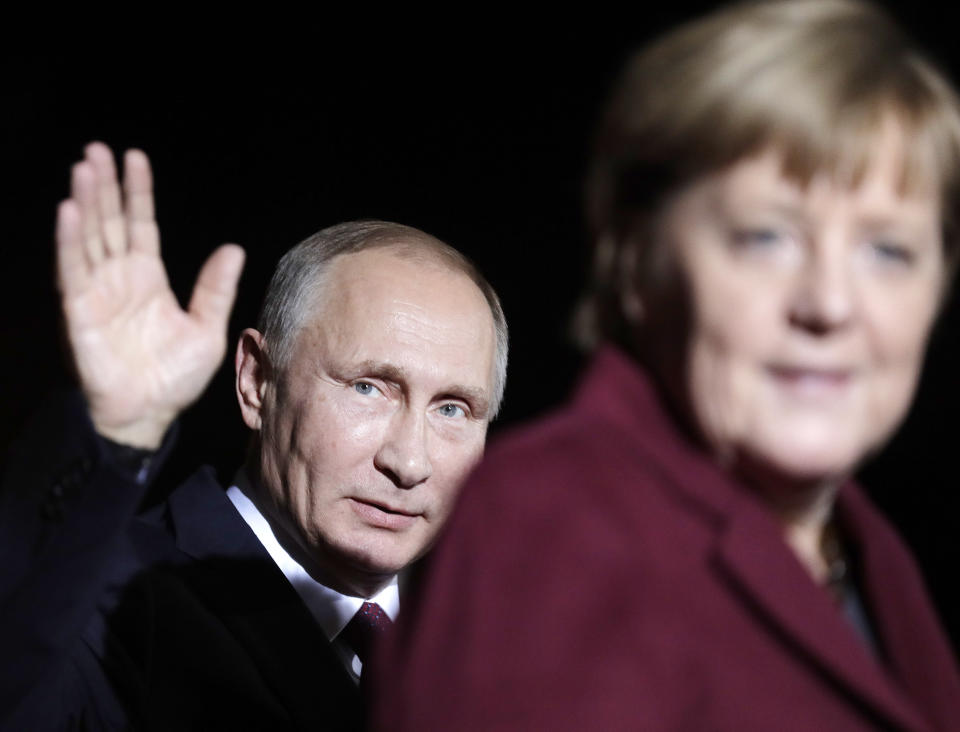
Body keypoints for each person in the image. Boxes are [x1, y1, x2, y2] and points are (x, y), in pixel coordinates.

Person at [372, 1, 960, 730]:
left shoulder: (869, 553)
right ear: (633, 260)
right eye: (766, 237)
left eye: (888, 251)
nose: (831, 304)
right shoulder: (555, 527)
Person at [0, 143, 507, 730]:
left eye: (452, 409)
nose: (409, 461)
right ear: (257, 382)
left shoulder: (495, 649)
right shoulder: (109, 603)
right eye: (368, 387)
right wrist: (118, 430)